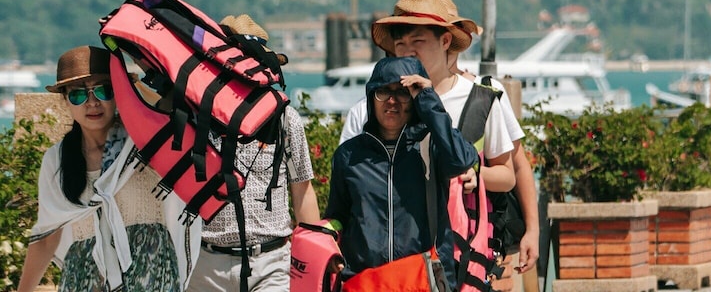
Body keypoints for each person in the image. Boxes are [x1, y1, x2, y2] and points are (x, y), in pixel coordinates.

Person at [340, 0, 537, 287]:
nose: (407, 51)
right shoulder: (370, 109)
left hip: (459, 257)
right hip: (386, 272)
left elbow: (511, 172)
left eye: (417, 41)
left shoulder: (481, 99)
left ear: (445, 40)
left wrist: (476, 176)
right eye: (401, 43)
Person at [19, 46, 200, 292]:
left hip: (151, 262)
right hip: (85, 272)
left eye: (103, 90)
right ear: (65, 101)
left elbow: (178, 103)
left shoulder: (144, 142)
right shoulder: (57, 160)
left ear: (119, 92)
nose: (92, 103)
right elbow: (47, 236)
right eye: (78, 95)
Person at [185, 15, 321, 291]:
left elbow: (303, 191)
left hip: (270, 263)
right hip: (205, 263)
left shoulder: (284, 118)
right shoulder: (193, 117)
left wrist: (315, 259)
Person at [326, 56, 480, 279]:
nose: (391, 101)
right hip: (366, 282)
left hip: (423, 279)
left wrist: (429, 99)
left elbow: (460, 160)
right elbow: (337, 215)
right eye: (383, 91)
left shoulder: (431, 147)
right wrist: (330, 251)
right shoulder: (349, 155)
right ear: (371, 97)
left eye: (402, 92)